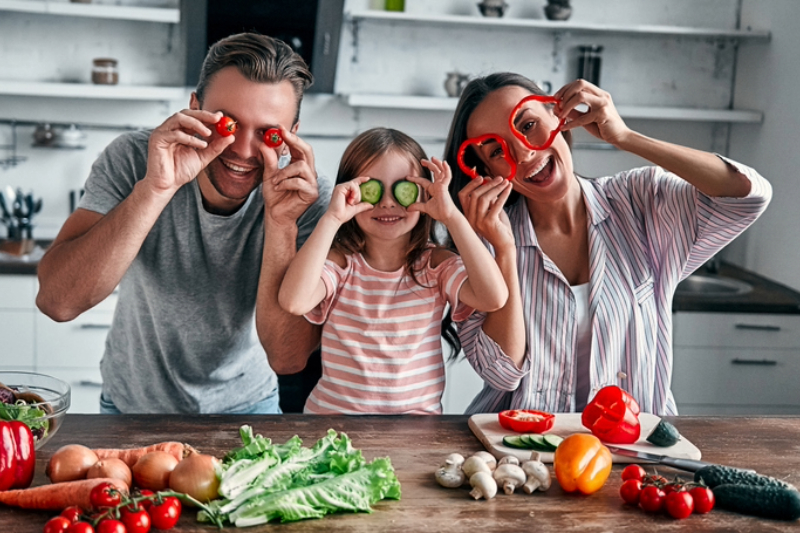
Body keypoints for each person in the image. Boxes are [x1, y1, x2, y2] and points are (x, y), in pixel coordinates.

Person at [35, 33, 332, 414]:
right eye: (227, 123)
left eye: (268, 133)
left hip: (248, 408)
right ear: (194, 108)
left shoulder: (306, 194)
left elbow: (287, 357)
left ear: (293, 133)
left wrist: (281, 223)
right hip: (131, 409)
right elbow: (58, 302)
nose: (242, 151)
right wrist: (157, 188)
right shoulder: (132, 159)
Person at [443, 73, 772, 416]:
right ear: (485, 170)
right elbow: (502, 374)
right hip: (518, 451)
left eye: (527, 125)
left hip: (634, 445)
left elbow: (747, 196)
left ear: (559, 114)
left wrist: (626, 137)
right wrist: (505, 252)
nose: (523, 153)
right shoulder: (481, 246)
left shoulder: (639, 201)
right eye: (497, 150)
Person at [278, 127, 510, 414]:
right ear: (349, 191)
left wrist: (451, 216)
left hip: (414, 431)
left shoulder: (434, 265)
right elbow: (293, 301)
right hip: (332, 424)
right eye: (372, 189)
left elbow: (493, 298)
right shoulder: (341, 264)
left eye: (402, 189)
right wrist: (332, 218)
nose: (388, 202)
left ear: (425, 193)